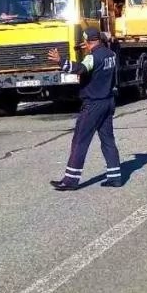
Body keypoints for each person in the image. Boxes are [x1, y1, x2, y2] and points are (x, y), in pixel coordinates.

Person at [46, 28, 122, 190]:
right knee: (108, 140)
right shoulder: (110, 54)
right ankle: (115, 177)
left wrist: (61, 61)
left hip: (93, 104)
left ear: (87, 41)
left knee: (80, 140)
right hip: (108, 101)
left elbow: (81, 68)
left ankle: (70, 180)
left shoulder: (92, 57)